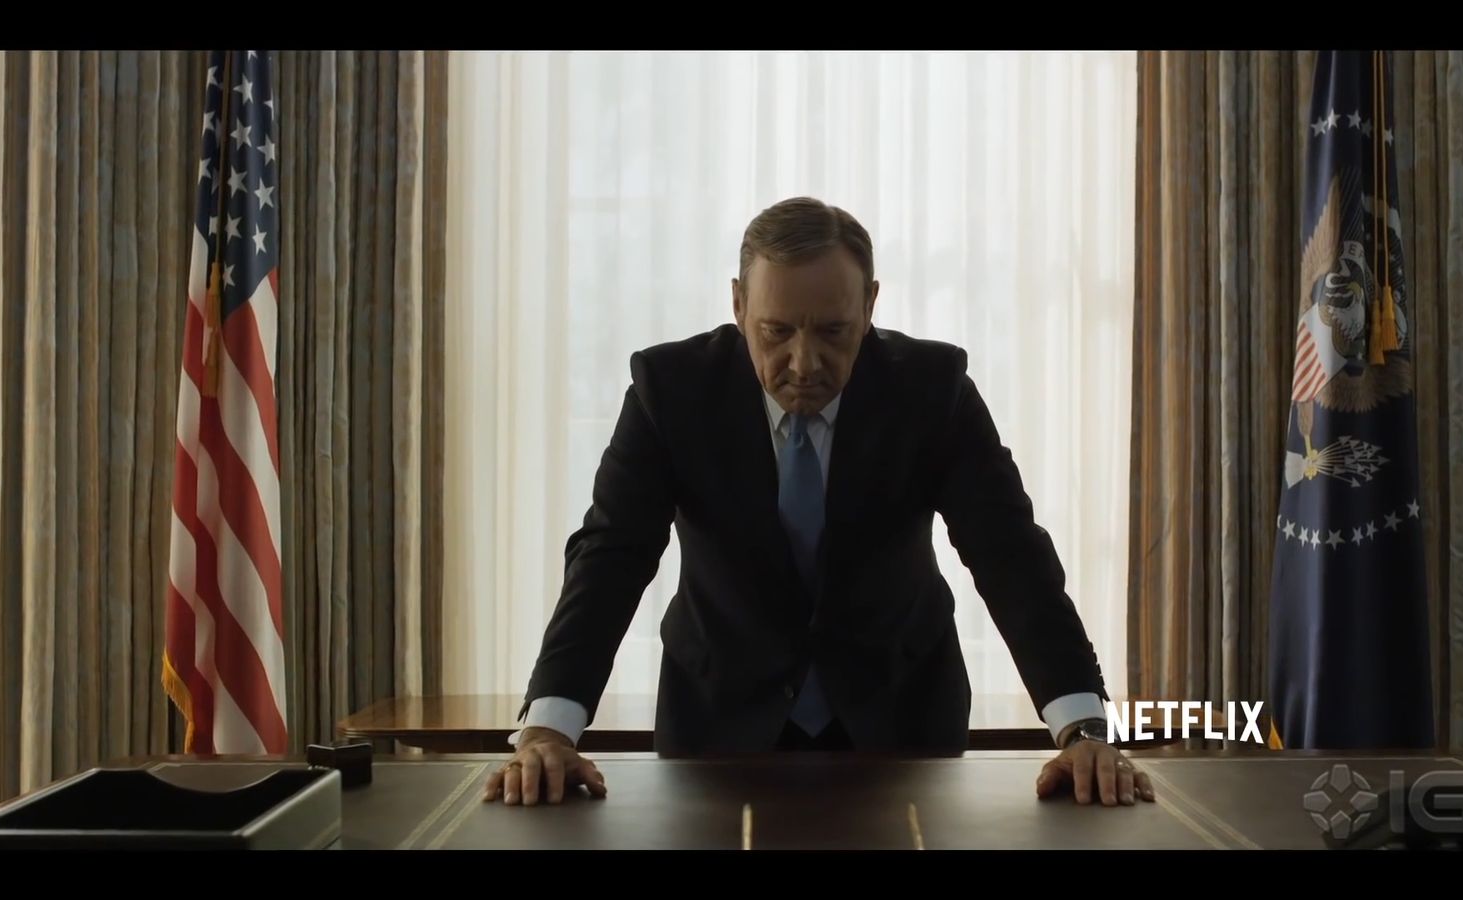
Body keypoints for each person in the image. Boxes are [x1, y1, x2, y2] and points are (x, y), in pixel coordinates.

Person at [482, 197, 1155, 810]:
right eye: (776, 331)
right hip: (717, 726)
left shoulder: (933, 390)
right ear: (739, 305)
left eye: (833, 331)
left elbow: (1010, 555)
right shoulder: (672, 392)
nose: (804, 363)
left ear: (871, 305)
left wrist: (1081, 727)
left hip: (903, 723)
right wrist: (550, 727)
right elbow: (611, 557)